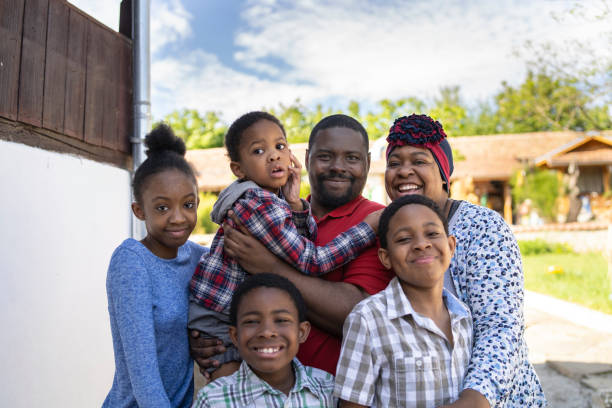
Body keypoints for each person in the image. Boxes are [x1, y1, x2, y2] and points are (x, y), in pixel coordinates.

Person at [190, 114, 394, 376]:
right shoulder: (268, 207)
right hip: (258, 370)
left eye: (352, 158)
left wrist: (270, 267)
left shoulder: (377, 221)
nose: (338, 167)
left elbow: (359, 317)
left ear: (368, 162)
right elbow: (312, 259)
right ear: (306, 158)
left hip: (334, 392)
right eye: (325, 156)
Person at [383, 114, 545, 407]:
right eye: (394, 163)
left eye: (419, 161)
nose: (404, 171)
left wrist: (475, 398)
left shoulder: (482, 228)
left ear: (444, 174)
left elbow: (501, 327)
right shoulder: (386, 230)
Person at [103, 124, 208, 407]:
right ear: (139, 211)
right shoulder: (132, 262)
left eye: (188, 205)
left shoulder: (201, 259)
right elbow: (144, 381)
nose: (178, 218)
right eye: (162, 208)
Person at [334, 194, 473, 407]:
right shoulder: (369, 320)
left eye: (432, 233)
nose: (421, 244)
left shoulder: (463, 316)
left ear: (451, 246)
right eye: (404, 239)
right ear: (385, 257)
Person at [192, 273, 337, 407]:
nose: (267, 332)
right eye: (252, 321)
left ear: (301, 332)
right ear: (235, 336)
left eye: (281, 320)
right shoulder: (213, 399)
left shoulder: (327, 388)